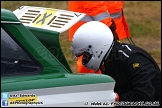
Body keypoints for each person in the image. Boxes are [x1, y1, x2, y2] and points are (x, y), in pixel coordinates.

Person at [70, 21, 161, 106]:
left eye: (86, 54)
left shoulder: (134, 59)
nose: (85, 58)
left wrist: (114, 102)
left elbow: (144, 96)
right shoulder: (109, 58)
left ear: (98, 48)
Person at [68, 1, 131, 74]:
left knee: (109, 64)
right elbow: (94, 5)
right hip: (95, 31)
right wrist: (108, 25)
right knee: (93, 67)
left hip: (100, 29)